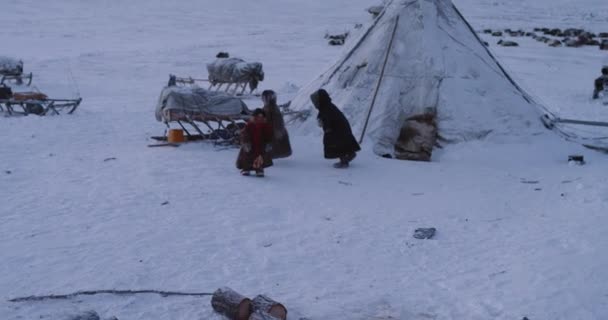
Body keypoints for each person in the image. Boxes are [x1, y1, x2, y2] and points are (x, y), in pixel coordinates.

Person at [310, 89, 361, 168]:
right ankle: (350, 153)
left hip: (337, 130)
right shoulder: (327, 106)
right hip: (341, 128)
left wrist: (327, 129)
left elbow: (327, 119)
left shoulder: (326, 108)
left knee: (337, 144)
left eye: (315, 101)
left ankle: (344, 162)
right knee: (342, 142)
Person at [236, 108, 273, 177]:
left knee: (260, 157)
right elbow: (245, 133)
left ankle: (259, 169)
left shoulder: (266, 125)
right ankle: (246, 169)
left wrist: (268, 142)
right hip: (251, 144)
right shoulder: (250, 125)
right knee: (247, 157)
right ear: (254, 117)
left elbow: (269, 135)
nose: (260, 118)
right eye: (258, 116)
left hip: (261, 145)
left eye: (261, 116)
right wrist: (246, 142)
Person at [261, 90, 292, 159]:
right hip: (270, 129)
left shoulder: (272, 108)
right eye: (263, 98)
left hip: (274, 129)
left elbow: (277, 120)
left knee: (275, 145)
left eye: (265, 98)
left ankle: (275, 155)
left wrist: (277, 130)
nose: (263, 99)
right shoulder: (267, 107)